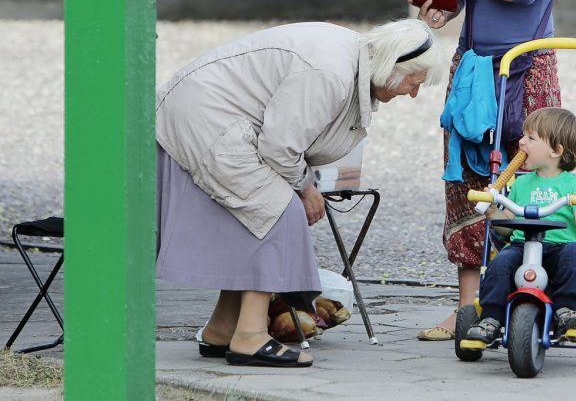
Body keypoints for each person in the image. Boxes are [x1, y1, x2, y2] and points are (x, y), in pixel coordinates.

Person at [155, 20, 444, 367]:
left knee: (253, 219)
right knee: (277, 212)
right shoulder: (330, 72)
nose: (412, 94)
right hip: (208, 119)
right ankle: (249, 337)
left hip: (209, 113)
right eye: (414, 83)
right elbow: (280, 148)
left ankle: (222, 328)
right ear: (392, 66)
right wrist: (305, 188)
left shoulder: (349, 59)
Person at [409, 0, 563, 340]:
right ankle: (469, 309)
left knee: (530, 170)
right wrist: (441, 9)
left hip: (528, 62)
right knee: (468, 180)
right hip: (475, 64)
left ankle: (534, 292)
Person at [465, 107, 576, 344]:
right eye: (524, 136)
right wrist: (493, 211)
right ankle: (491, 318)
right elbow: (507, 228)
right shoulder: (521, 183)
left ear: (556, 151)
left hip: (560, 249)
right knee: (501, 261)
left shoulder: (574, 184)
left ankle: (566, 310)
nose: (521, 142)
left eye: (531, 138)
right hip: (521, 246)